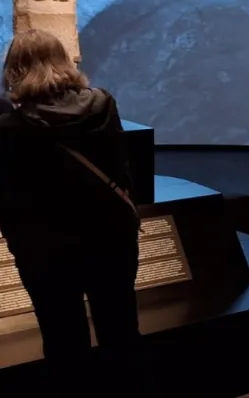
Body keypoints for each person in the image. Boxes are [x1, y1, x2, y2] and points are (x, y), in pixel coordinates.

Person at [0, 29, 155, 396]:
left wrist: (18, 239)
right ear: (63, 61)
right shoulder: (103, 104)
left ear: (14, 69)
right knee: (121, 330)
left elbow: (9, 197)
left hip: (47, 250)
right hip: (111, 238)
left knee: (63, 339)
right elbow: (121, 170)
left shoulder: (10, 128)